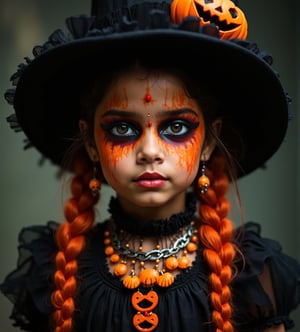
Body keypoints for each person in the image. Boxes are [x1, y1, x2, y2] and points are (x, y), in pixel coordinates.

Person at [1, 0, 299, 331]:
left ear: (210, 141)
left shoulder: (250, 271)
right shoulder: (54, 271)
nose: (150, 151)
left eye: (175, 127)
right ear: (90, 142)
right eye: (122, 129)